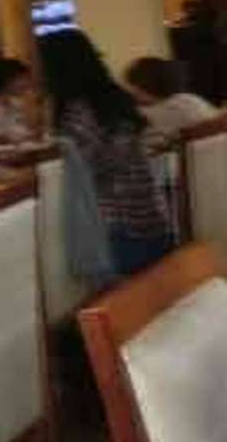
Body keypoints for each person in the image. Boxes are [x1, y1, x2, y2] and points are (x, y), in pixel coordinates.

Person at [38, 30, 173, 277]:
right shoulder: (116, 99)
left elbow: (78, 175)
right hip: (154, 224)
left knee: (48, 239)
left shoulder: (77, 114)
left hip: (117, 237)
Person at [123, 56, 222, 138]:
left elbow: (216, 126)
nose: (132, 90)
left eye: (136, 87)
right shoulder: (138, 110)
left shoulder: (184, 103)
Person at [0, 57, 39, 144]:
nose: (26, 83)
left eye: (26, 79)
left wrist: (32, 135)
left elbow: (20, 131)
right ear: (7, 80)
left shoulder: (17, 104)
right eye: (21, 78)